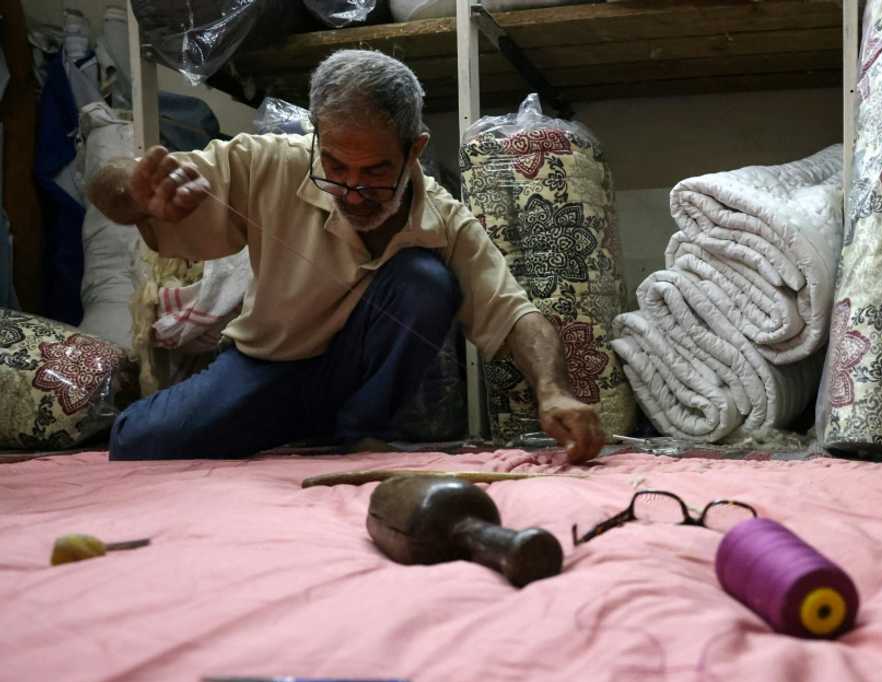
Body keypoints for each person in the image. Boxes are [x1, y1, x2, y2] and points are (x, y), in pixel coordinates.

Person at [87, 50, 605, 463]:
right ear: (317, 136)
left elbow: (515, 314)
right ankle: (302, 431)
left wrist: (553, 390)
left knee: (426, 279)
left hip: (355, 386)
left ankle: (359, 433)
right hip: (265, 370)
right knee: (135, 442)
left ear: (414, 150)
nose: (353, 192)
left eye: (375, 172)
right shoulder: (268, 161)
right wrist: (134, 190)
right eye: (335, 167)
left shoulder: (444, 219)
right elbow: (113, 185)